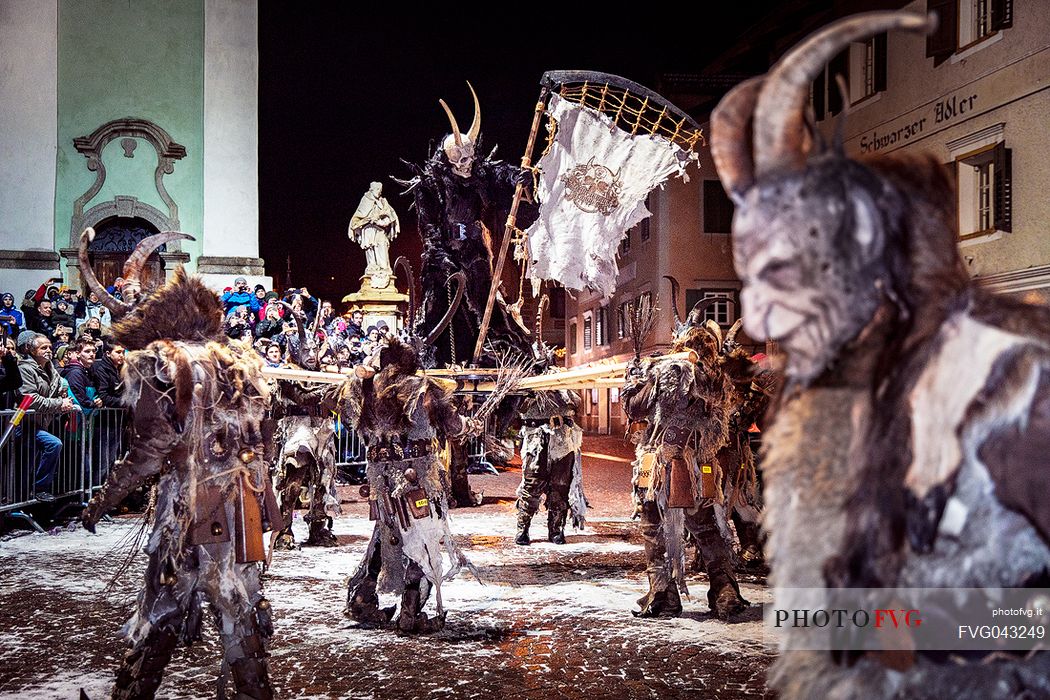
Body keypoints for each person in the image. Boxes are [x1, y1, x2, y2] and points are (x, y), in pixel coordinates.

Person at [80, 259, 282, 699]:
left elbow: (149, 450)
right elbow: (264, 435)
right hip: (241, 503)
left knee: (164, 602)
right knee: (240, 607)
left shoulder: (158, 361)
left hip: (189, 505)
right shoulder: (241, 361)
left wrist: (103, 499)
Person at [621, 299, 749, 620]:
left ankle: (664, 595)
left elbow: (635, 408)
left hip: (661, 464)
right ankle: (725, 591)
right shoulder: (717, 378)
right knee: (706, 528)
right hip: (700, 463)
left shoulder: (668, 370)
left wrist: (634, 379)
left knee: (653, 526)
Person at [17, 331, 77, 501]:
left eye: (50, 347)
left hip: (40, 423)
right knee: (53, 444)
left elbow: (59, 390)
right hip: (23, 423)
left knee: (28, 465)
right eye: (43, 347)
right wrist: (59, 404)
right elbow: (30, 398)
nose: (48, 350)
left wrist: (65, 399)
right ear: (31, 350)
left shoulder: (50, 368)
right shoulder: (25, 369)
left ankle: (31, 496)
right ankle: (38, 489)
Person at [349, 181, 401, 289]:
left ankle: (384, 269)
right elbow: (358, 217)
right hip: (368, 229)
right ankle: (372, 267)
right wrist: (367, 220)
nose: (379, 192)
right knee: (370, 248)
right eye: (377, 190)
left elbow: (390, 216)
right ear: (371, 190)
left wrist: (381, 221)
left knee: (382, 246)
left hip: (380, 229)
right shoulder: (365, 200)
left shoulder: (383, 202)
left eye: (380, 190)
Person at [60, 338, 101, 411]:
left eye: (94, 351)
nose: (92, 354)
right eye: (87, 351)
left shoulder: (88, 371)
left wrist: (97, 400)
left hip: (86, 416)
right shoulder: (75, 372)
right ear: (78, 354)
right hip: (76, 417)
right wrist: (93, 404)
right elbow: (79, 398)